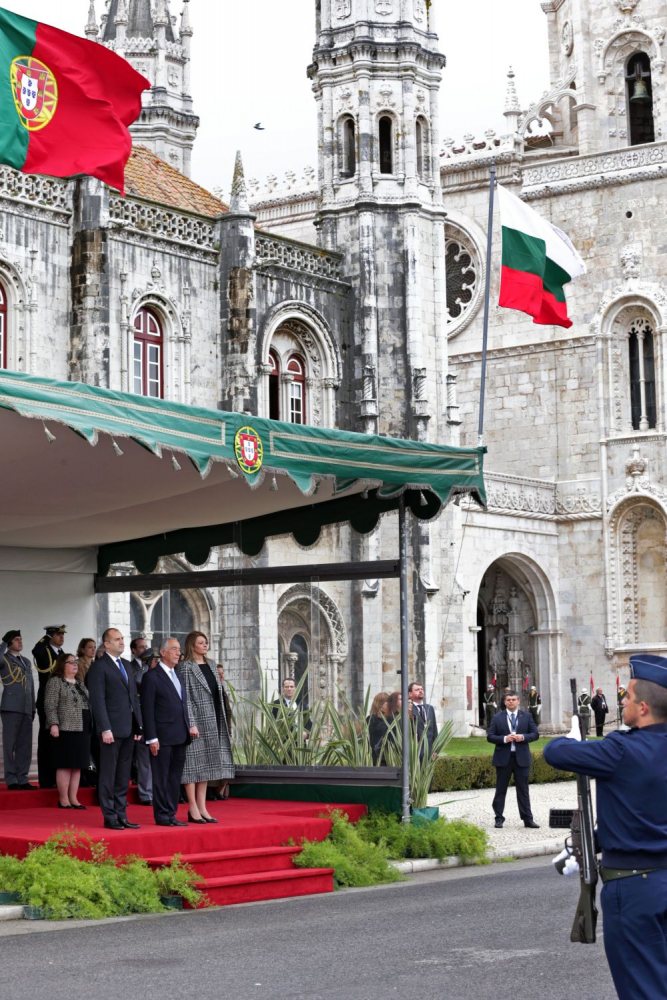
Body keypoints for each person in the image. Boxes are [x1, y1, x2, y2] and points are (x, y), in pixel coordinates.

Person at [543, 655, 667, 1000]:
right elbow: (648, 816)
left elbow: (555, 752)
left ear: (643, 707)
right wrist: (594, 842)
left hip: (634, 888)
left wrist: (573, 737)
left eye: (627, 696)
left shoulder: (621, 749)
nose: (622, 701)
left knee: (643, 988)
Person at [86, 627, 143, 831]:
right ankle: (109, 816)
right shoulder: (98, 668)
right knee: (108, 774)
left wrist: (138, 726)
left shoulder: (126, 666)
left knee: (123, 775)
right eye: (117, 639)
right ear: (107, 644)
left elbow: (133, 699)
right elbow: (97, 701)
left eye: (122, 638)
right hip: (110, 731)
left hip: (127, 730)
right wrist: (105, 728)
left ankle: (121, 814)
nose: (121, 641)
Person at [141, 637, 198, 827]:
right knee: (161, 777)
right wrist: (151, 737)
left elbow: (182, 704)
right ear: (163, 652)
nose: (177, 652)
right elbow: (147, 710)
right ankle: (162, 815)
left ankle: (172, 814)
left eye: (178, 649)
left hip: (180, 735)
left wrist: (189, 725)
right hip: (161, 737)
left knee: (174, 778)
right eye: (173, 649)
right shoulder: (151, 676)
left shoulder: (178, 675)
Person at [179, 631, 235, 823]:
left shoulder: (211, 664)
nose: (205, 645)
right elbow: (185, 698)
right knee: (193, 765)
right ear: (192, 645)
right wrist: (191, 722)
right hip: (197, 722)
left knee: (208, 765)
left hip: (214, 719)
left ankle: (203, 807)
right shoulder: (185, 666)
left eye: (206, 642)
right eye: (201, 642)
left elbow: (217, 693)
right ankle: (192, 807)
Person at [44, 652, 92, 810]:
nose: (74, 665)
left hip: (82, 727)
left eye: (75, 662)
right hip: (65, 728)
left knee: (77, 764)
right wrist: (54, 724)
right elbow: (50, 705)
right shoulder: (55, 682)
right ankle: (63, 799)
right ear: (62, 665)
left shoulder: (79, 683)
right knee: (65, 764)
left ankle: (74, 798)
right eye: (70, 662)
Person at [486, 689, 540, 829]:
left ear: (518, 701)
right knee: (500, 789)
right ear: (505, 702)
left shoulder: (526, 716)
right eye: (508, 700)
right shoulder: (497, 717)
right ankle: (499, 818)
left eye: (513, 699)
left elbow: (535, 734)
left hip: (521, 757)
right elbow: (490, 736)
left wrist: (523, 737)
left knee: (523, 790)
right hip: (504, 758)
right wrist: (505, 738)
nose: (511, 702)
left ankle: (527, 819)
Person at [0, 629, 37, 790]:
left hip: (26, 708)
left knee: (25, 746)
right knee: (10, 745)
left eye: (21, 639)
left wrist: (33, 707)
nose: (20, 642)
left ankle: (22, 777)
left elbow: (31, 686)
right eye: (16, 639)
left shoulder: (26, 661)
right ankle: (11, 779)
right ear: (9, 643)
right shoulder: (4, 659)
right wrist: (3, 644)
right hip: (11, 707)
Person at [32, 624, 66, 788]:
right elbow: (35, 651)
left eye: (62, 634)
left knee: (59, 742)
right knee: (46, 740)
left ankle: (57, 777)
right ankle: (46, 779)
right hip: (47, 699)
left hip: (62, 702)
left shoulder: (63, 655)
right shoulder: (44, 651)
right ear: (50, 636)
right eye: (58, 634)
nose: (61, 637)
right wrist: (46, 637)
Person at [128, 638, 154, 807]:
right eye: (141, 647)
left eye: (146, 646)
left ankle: (155, 791)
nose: (144, 649)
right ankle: (146, 793)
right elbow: (137, 684)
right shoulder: (132, 668)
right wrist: (146, 667)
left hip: (156, 718)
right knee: (143, 758)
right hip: (139, 716)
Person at [408, 681, 438, 757]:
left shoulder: (429, 708)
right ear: (410, 694)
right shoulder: (408, 709)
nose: (420, 691)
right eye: (417, 690)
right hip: (414, 752)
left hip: (429, 751)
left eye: (421, 689)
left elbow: (434, 730)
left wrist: (435, 749)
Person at [367, 692, 389, 765]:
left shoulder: (389, 719)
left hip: (386, 757)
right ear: (381, 705)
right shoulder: (371, 719)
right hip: (376, 757)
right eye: (387, 702)